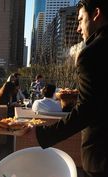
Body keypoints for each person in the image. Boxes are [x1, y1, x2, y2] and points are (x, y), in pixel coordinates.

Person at [29, 1, 108, 176]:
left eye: (80, 20)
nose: (78, 28)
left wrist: (42, 135)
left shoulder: (92, 54)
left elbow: (88, 111)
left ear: (96, 14)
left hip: (102, 158)